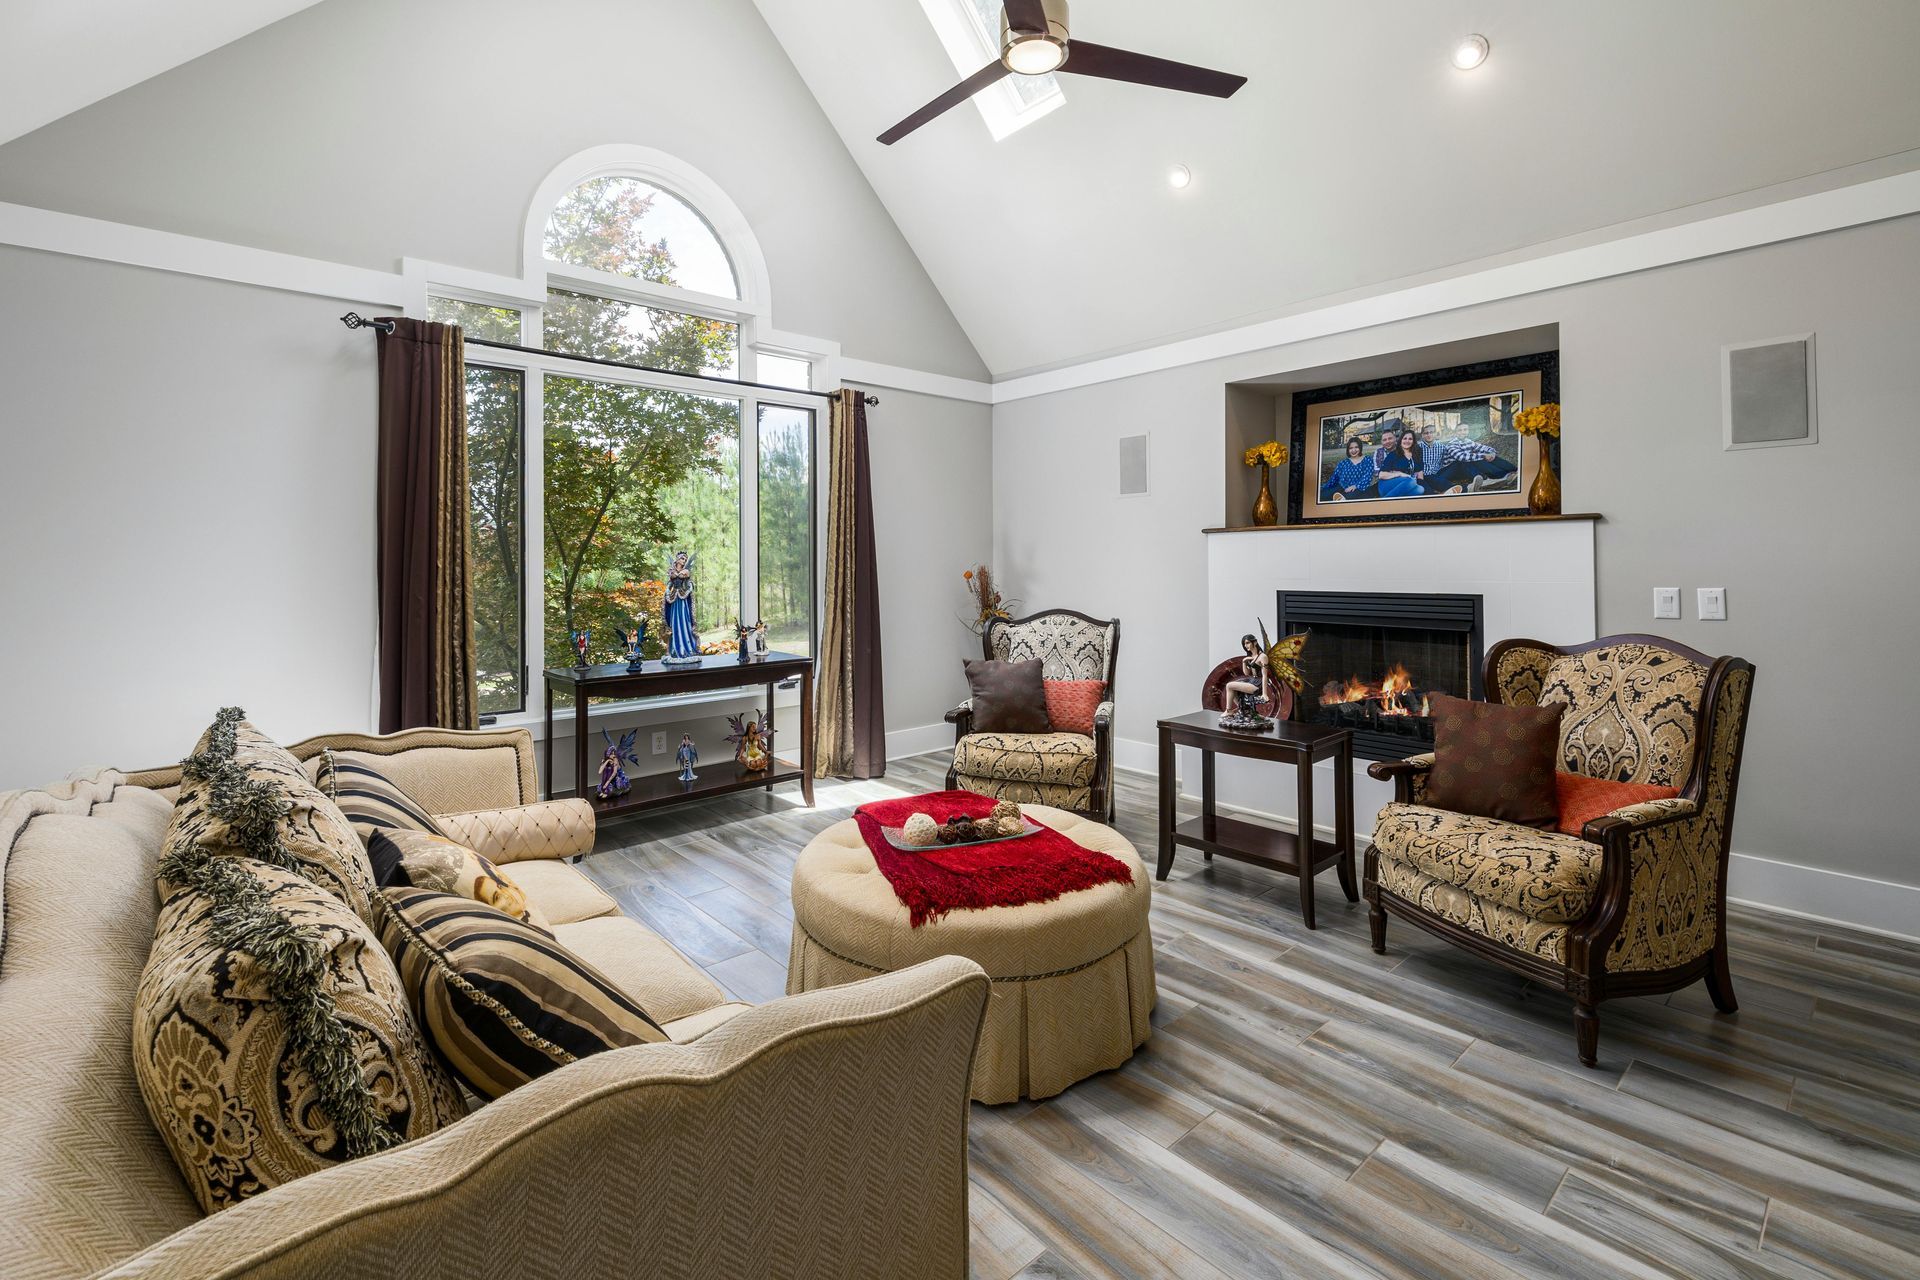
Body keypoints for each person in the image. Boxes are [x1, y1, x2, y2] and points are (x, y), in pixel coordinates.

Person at [1418, 427, 1519, 493]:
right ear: (1422, 435)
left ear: (1435, 434)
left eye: (1431, 432)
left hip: (1441, 471)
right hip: (1428, 474)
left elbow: (1479, 449)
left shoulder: (1441, 446)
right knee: (1462, 461)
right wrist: (1482, 455)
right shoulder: (1418, 447)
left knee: (1467, 461)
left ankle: (1508, 473)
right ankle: (1476, 484)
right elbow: (1460, 456)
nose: (1429, 435)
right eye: (1426, 433)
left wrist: (1489, 453)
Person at [1219, 633, 1272, 726]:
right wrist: (1244, 661)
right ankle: (1246, 711)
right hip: (1252, 680)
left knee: (1229, 686)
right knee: (1233, 687)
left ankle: (1229, 710)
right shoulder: (1252, 656)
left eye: (1247, 643)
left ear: (1255, 642)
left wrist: (1264, 693)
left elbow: (1264, 675)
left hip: (1257, 684)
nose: (1245, 645)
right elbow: (1247, 673)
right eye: (1244, 644)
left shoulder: (1263, 657)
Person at [1373, 428, 1425, 498]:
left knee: (1420, 489)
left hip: (1405, 484)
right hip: (1387, 484)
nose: (1407, 441)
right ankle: (1384, 502)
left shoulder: (1416, 454)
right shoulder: (1393, 454)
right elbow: (1381, 475)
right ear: (1400, 440)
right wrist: (1399, 474)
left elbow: (1419, 473)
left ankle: (1392, 500)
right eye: (1405, 438)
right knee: (1411, 481)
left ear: (1413, 441)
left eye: (1410, 439)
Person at [1322, 435, 1376, 501]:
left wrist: (1355, 486)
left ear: (1360, 447)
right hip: (1341, 486)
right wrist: (1325, 487)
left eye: (1356, 447)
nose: (1353, 450)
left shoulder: (1367, 460)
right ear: (1348, 449)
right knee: (1323, 495)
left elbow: (1368, 476)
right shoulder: (1343, 463)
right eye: (1351, 448)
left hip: (1359, 488)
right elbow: (1334, 478)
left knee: (1344, 499)